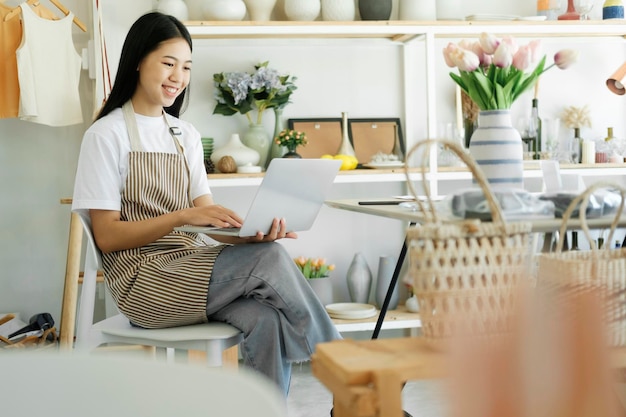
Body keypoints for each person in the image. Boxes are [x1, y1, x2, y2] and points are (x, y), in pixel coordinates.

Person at [71, 11, 341, 395]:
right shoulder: (105, 135)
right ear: (137, 61)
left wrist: (249, 238)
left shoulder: (186, 135)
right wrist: (181, 215)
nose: (177, 77)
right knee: (271, 261)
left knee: (265, 309)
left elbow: (205, 225)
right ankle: (348, 372)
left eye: (186, 67)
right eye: (168, 63)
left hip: (192, 271)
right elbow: (108, 236)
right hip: (143, 284)